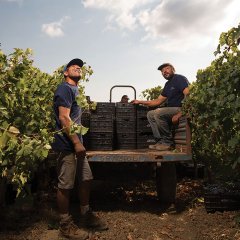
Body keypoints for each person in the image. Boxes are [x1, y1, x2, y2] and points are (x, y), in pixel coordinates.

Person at [52, 58, 108, 240]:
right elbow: (64, 118)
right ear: (66, 72)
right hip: (67, 144)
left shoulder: (75, 90)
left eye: (80, 67)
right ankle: (65, 225)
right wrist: (76, 142)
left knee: (86, 178)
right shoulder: (65, 88)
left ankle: (85, 214)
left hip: (77, 144)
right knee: (66, 185)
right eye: (73, 66)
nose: (78, 67)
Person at [131, 63, 189, 151]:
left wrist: (182, 113)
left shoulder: (179, 78)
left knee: (158, 113)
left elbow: (188, 95)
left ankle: (167, 142)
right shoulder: (167, 84)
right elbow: (157, 101)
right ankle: (160, 140)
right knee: (150, 114)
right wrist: (140, 101)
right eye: (162, 71)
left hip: (180, 108)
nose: (164, 71)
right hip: (171, 110)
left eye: (167, 68)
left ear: (173, 69)